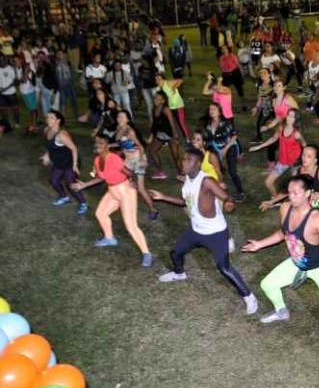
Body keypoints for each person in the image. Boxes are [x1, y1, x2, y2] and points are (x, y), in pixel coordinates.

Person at [242, 175, 319, 360]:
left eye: (296, 192)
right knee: (267, 284)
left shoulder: (316, 219)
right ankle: (281, 311)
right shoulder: (285, 208)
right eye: (289, 192)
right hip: (297, 262)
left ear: (308, 193)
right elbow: (283, 233)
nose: (291, 196)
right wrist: (260, 244)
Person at [149, 148, 258, 315]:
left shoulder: (206, 181)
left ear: (198, 164)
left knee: (224, 268)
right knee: (175, 253)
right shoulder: (187, 179)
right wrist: (162, 196)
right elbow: (184, 201)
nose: (183, 162)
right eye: (183, 159)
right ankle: (179, 274)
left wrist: (229, 204)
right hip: (196, 230)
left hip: (215, 233)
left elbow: (226, 197)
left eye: (188, 160)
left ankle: (249, 296)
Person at [260, 144, 319, 276]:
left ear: (315, 160)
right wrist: (271, 201)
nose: (304, 158)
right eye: (304, 154)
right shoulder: (298, 172)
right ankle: (308, 269)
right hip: (308, 217)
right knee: (305, 244)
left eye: (309, 156)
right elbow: (287, 191)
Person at [70, 135, 153, 267]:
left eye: (101, 143)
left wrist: (133, 182)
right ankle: (109, 238)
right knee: (100, 214)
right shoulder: (97, 160)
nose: (98, 145)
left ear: (108, 146)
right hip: (112, 191)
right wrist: (84, 185)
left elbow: (129, 172)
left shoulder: (114, 158)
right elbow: (100, 177)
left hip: (125, 192)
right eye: (97, 143)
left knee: (131, 226)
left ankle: (147, 254)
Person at [250, 108, 305, 197]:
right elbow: (273, 139)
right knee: (268, 182)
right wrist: (259, 146)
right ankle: (276, 198)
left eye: (292, 116)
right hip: (283, 160)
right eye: (288, 115)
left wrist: (305, 160)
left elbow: (304, 145)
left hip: (295, 162)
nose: (288, 118)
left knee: (295, 186)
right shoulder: (281, 128)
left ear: (296, 119)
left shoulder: (297, 134)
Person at [40, 110, 87, 215]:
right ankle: (64, 197)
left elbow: (74, 149)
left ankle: (83, 203)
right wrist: (47, 155)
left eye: (51, 117)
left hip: (69, 162)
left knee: (70, 184)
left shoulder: (61, 135)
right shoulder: (47, 130)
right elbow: (49, 145)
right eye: (47, 117)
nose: (48, 119)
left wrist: (75, 164)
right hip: (58, 162)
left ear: (58, 120)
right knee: (53, 180)